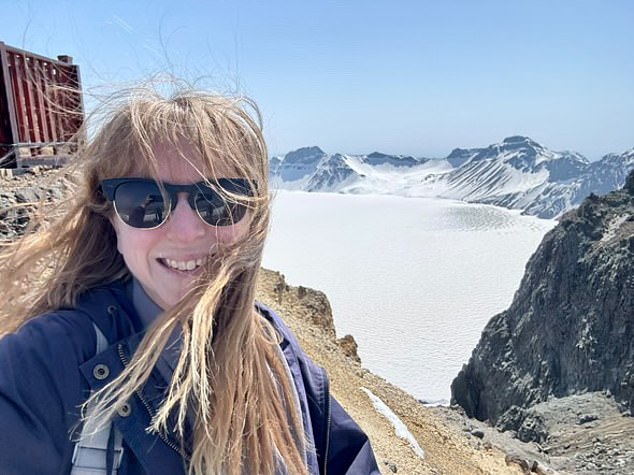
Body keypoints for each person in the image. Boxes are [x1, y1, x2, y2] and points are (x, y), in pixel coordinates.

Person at [0, 83, 380, 475]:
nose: (185, 231)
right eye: (143, 201)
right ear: (109, 216)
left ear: (254, 221)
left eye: (219, 200)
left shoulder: (277, 352)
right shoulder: (42, 365)